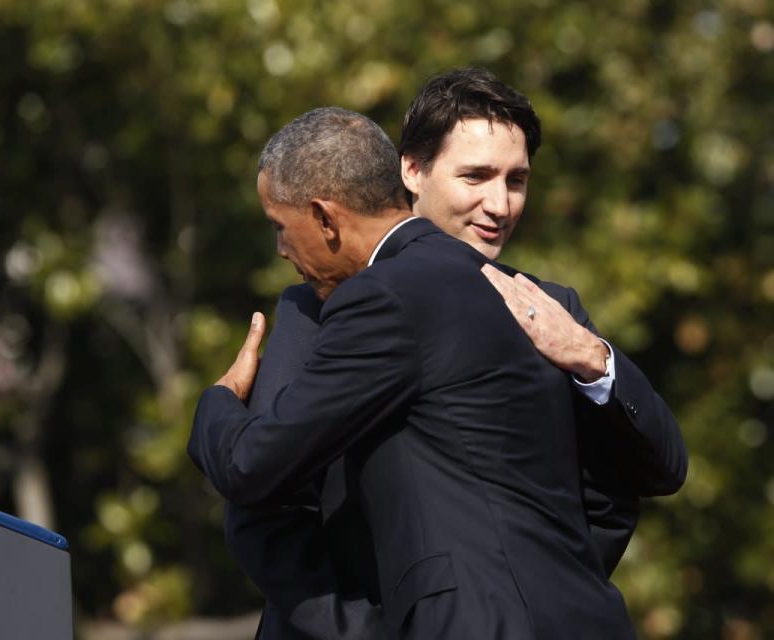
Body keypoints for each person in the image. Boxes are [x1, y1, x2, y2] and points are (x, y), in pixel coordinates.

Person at [219, 69, 687, 638]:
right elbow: (267, 506)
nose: (499, 203)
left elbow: (624, 487)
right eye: (475, 176)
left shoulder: (547, 308)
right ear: (411, 171)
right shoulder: (316, 305)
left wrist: (593, 357)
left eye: (517, 181)